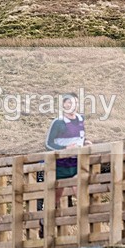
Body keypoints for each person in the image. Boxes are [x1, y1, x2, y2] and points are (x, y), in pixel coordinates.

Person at [39, 93, 92, 236]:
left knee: (80, 191)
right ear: (63, 105)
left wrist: (85, 142)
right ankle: (44, 224)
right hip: (59, 165)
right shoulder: (58, 122)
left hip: (76, 163)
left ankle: (85, 231)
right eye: (67, 103)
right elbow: (48, 144)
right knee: (55, 198)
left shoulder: (81, 119)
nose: (70, 106)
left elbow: (79, 136)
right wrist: (64, 149)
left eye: (73, 103)